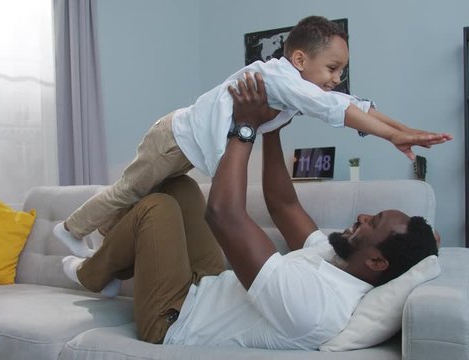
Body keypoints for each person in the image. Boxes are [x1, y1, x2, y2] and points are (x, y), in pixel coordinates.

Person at [61, 73, 440, 349]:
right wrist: (273, 125)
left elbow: (224, 215)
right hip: (204, 282)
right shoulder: (336, 256)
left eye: (370, 223)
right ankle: (109, 264)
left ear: (376, 263)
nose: (360, 218)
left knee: (156, 208)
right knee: (179, 187)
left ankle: (94, 273)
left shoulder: (320, 306)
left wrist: (245, 127)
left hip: (174, 317)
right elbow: (283, 203)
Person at [54, 15, 452, 257]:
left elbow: (356, 104)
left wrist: (404, 132)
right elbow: (339, 110)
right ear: (300, 59)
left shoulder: (297, 85)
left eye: (340, 72)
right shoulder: (282, 79)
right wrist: (390, 137)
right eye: (332, 68)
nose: (336, 79)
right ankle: (70, 230)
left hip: (184, 150)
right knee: (127, 191)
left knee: (140, 198)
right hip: (172, 139)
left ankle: (104, 244)